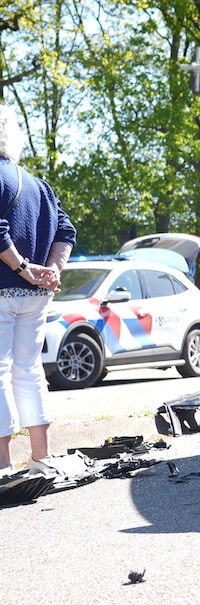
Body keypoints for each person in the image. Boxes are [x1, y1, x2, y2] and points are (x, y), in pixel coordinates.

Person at [0, 103, 75, 478]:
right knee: (29, 370)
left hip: (3, 290)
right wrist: (51, 273)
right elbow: (66, 231)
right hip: (36, 297)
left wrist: (26, 269)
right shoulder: (39, 185)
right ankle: (42, 458)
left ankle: (2, 464)